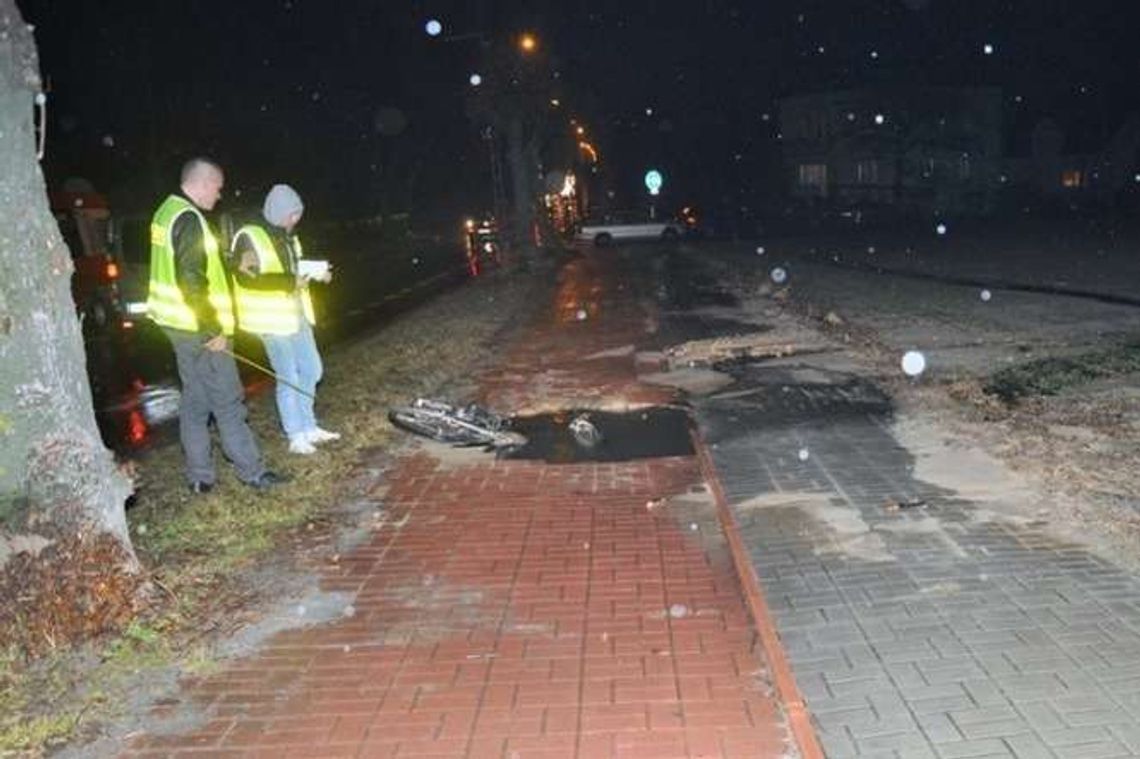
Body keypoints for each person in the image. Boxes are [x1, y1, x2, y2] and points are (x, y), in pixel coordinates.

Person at [146, 158, 285, 493]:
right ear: (203, 183)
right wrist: (213, 331)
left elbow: (189, 265)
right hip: (200, 329)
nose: (219, 196)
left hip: (178, 326)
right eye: (218, 188)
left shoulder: (166, 212)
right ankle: (253, 472)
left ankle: (199, 477)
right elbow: (191, 280)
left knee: (195, 401)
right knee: (227, 399)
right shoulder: (190, 218)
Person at [231, 184, 339, 455]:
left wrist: (316, 273)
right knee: (288, 376)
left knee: (312, 370)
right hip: (271, 321)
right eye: (292, 215)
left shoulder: (287, 237)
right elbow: (247, 276)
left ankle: (309, 426)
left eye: (298, 214)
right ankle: (295, 435)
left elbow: (295, 268)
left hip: (296, 315)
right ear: (278, 212)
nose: (296, 220)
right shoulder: (249, 236)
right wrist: (290, 281)